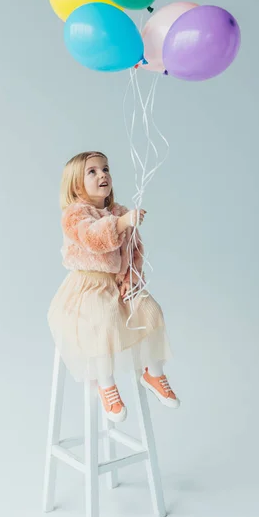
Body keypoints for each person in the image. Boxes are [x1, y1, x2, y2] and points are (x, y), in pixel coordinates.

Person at [47, 151, 180, 422]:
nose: (103, 175)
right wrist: (121, 223)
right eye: (92, 172)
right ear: (76, 185)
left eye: (105, 169)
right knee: (102, 319)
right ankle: (105, 383)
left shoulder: (119, 211)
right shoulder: (75, 215)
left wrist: (129, 279)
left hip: (115, 282)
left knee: (150, 309)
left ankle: (153, 373)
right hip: (87, 286)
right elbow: (93, 238)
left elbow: (133, 252)